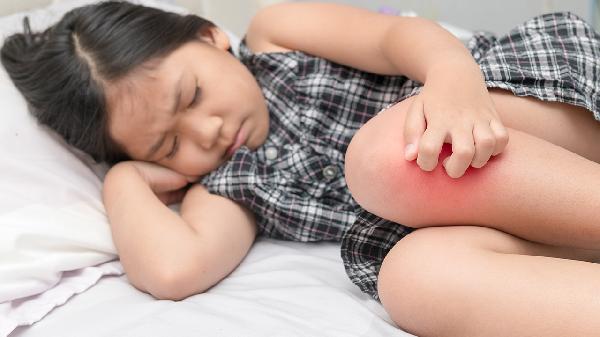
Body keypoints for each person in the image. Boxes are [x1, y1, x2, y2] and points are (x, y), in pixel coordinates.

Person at [2, 1, 600, 336]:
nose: (205, 132)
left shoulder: (277, 34)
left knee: (386, 161)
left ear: (211, 38)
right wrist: (123, 179)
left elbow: (401, 39)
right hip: (525, 214)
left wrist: (450, 83)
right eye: (166, 146)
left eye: (191, 97)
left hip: (516, 117)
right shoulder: (230, 185)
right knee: (410, 280)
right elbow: (173, 269)